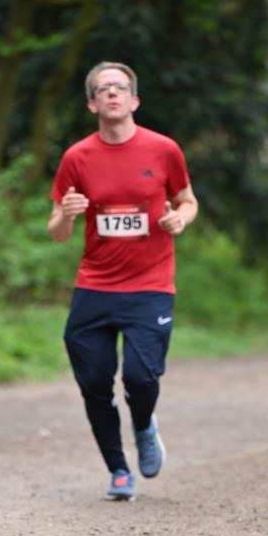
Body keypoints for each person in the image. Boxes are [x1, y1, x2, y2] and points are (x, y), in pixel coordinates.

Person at [48, 61, 198, 500]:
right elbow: (57, 232)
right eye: (102, 88)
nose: (111, 92)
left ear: (134, 100)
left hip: (150, 285)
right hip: (95, 284)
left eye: (119, 87)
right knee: (94, 382)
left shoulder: (164, 149)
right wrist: (67, 216)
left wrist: (180, 219)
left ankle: (144, 425)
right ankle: (118, 469)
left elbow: (187, 200)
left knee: (140, 378)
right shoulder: (77, 157)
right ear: (92, 103)